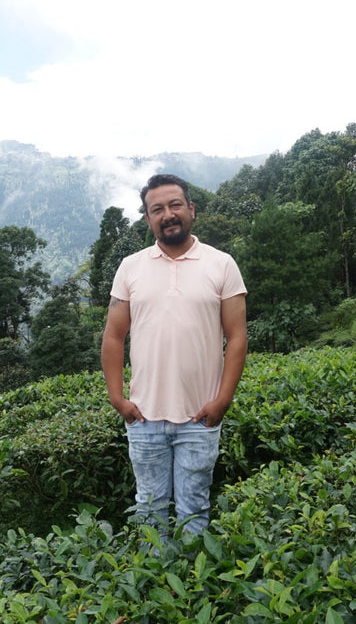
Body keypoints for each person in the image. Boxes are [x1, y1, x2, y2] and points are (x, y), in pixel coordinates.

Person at [101, 173, 248, 535]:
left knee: (195, 509)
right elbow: (114, 337)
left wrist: (222, 401)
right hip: (143, 417)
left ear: (191, 209)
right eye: (157, 209)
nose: (168, 214)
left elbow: (238, 337)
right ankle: (155, 585)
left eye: (175, 205)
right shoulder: (130, 267)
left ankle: (193, 587)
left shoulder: (222, 264)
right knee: (149, 510)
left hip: (200, 418)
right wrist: (117, 398)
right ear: (148, 218)